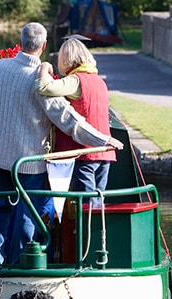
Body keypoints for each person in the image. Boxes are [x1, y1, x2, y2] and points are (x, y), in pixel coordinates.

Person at [0, 23, 123, 265]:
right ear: (44, 46)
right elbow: (69, 121)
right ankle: (21, 264)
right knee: (29, 212)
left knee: (0, 210)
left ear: (21, 41)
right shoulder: (40, 78)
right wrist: (104, 140)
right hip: (30, 162)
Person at [37, 38, 115, 195]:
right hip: (105, 153)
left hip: (83, 152)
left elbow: (44, 87)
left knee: (85, 206)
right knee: (97, 203)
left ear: (65, 59)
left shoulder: (75, 81)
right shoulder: (99, 81)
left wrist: (43, 68)